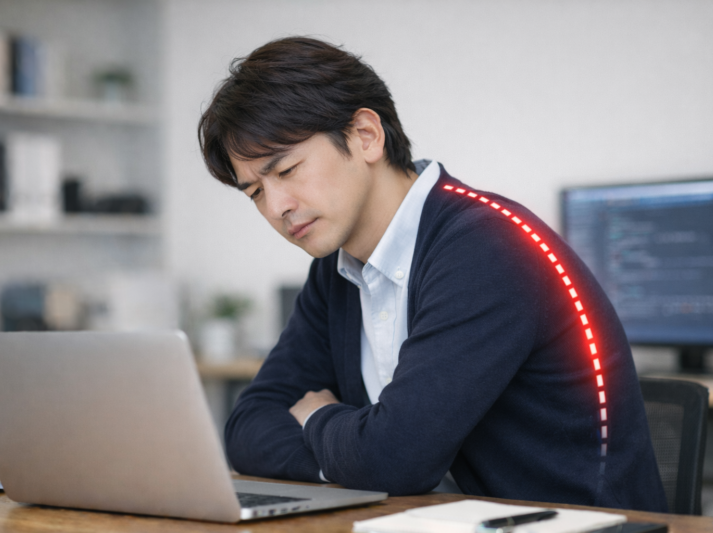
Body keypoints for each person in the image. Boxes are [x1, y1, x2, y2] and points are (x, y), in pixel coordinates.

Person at [197, 36, 666, 511]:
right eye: (255, 192)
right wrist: (349, 453)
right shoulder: (334, 273)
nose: (276, 207)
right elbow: (247, 429)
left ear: (365, 136)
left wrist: (318, 419)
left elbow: (394, 460)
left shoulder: (486, 246)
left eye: (287, 170)